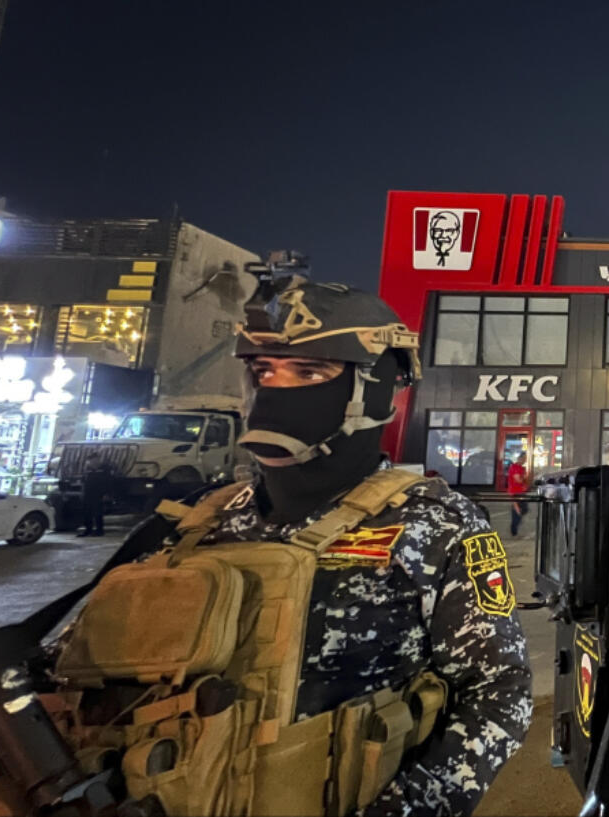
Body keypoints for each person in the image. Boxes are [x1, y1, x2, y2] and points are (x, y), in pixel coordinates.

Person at [35, 271, 533, 817]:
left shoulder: (431, 522)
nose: (276, 390)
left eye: (309, 371)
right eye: (264, 371)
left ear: (375, 386)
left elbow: (498, 692)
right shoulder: (194, 520)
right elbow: (68, 673)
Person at [77, 452, 110, 537]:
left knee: (98, 512)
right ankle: (88, 530)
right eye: (90, 460)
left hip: (98, 494)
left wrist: (106, 493)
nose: (92, 462)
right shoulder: (88, 469)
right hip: (88, 493)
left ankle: (100, 530)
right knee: (87, 512)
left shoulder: (104, 468)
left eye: (94, 459)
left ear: (98, 459)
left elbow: (108, 482)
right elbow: (84, 481)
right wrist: (82, 492)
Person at [506, 451, 529, 537]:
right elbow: (518, 479)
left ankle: (516, 523)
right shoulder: (515, 467)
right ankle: (513, 529)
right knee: (517, 510)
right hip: (515, 491)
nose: (525, 460)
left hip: (521, 491)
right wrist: (524, 477)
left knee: (524, 509)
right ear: (520, 458)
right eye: (524, 458)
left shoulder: (522, 468)